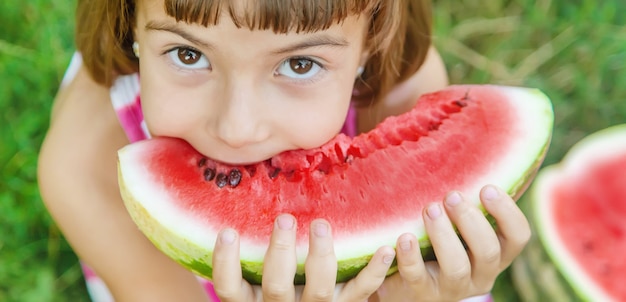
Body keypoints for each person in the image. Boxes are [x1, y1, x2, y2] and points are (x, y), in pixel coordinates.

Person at [38, 0, 531, 301]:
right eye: (188, 54)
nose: (237, 128)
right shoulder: (85, 168)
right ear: (130, 23)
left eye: (299, 65)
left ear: (371, 44)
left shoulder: (397, 87)